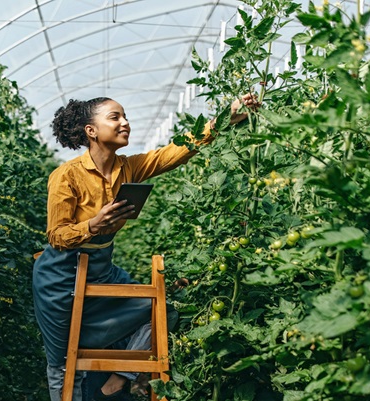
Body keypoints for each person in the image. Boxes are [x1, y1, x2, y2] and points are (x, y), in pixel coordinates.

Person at [32, 94, 259, 401]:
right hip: (61, 276)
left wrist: (225, 117)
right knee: (61, 358)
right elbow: (56, 235)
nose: (125, 122)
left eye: (125, 116)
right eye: (114, 117)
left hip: (101, 267)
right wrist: (93, 225)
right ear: (91, 131)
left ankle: (119, 378)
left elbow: (177, 150)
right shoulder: (67, 176)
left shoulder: (129, 168)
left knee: (161, 308)